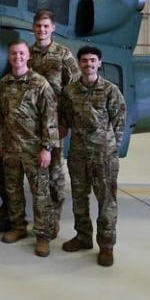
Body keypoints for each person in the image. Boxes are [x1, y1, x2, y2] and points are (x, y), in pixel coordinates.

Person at [59, 45, 127, 267]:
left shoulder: (110, 90)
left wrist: (110, 147)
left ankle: (106, 245)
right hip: (78, 153)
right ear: (79, 64)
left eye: (92, 60)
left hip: (104, 155)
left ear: (99, 63)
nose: (88, 64)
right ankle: (83, 237)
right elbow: (66, 119)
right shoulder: (69, 91)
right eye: (84, 60)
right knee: (79, 198)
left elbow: (119, 121)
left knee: (106, 200)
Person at [0, 39, 60, 257]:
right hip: (11, 148)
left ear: (28, 56)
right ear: (9, 56)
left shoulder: (39, 83)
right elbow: (1, 117)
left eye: (21, 53)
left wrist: (46, 148)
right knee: (13, 191)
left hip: (35, 149)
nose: (18, 57)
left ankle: (43, 235)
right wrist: (1, 143)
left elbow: (50, 117)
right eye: (14, 53)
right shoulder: (4, 83)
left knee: (40, 193)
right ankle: (18, 227)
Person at [28, 9, 80, 239]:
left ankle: (53, 220)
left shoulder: (63, 54)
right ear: (33, 28)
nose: (42, 30)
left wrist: (66, 122)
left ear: (53, 28)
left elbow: (76, 90)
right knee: (36, 174)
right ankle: (38, 218)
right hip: (29, 125)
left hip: (54, 124)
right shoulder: (26, 55)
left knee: (55, 175)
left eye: (46, 26)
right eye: (39, 26)